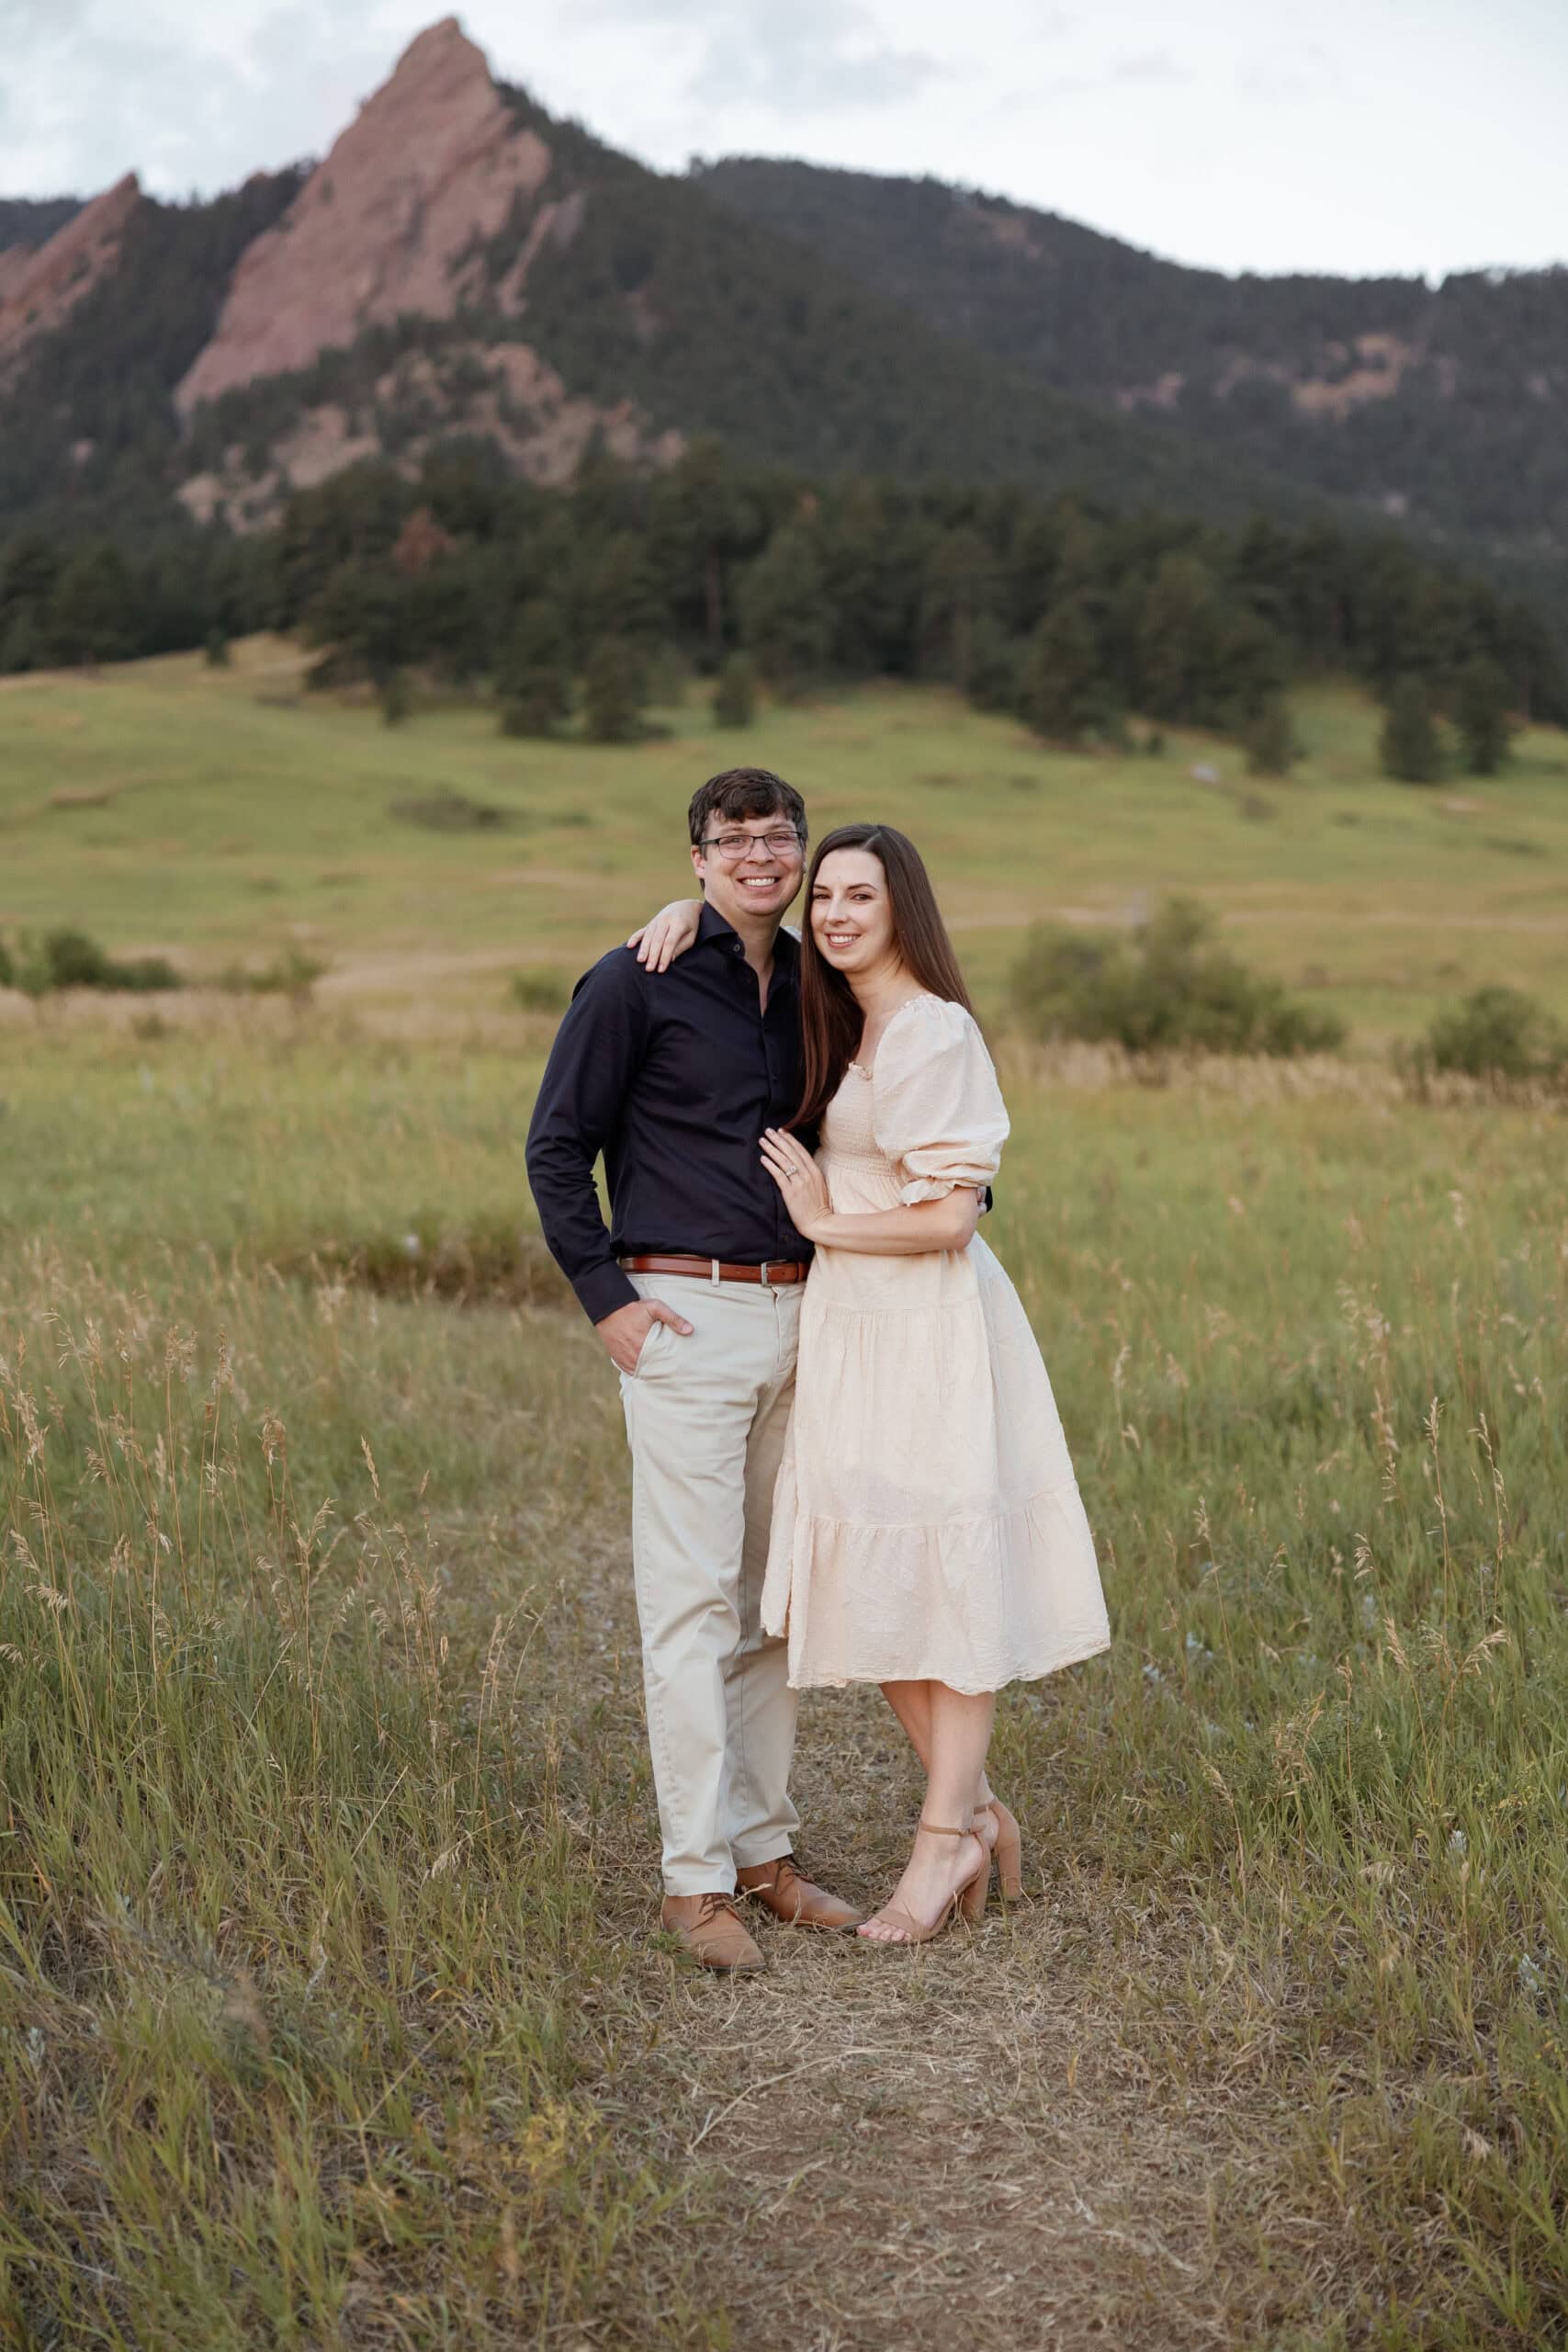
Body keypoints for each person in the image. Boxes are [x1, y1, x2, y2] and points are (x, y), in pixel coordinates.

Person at [637, 824, 1110, 1945]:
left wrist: (820, 1222)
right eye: (829, 894)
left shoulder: (935, 1030)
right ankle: (977, 1810)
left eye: (865, 894)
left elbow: (951, 1216)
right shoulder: (838, 1011)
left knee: (941, 1564)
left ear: (906, 909)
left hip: (929, 1325)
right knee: (871, 1566)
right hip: (852, 1323)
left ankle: (943, 1836)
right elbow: (727, 946)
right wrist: (671, 918)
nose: (840, 912)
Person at [525, 768, 861, 1973]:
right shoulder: (635, 979)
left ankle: (763, 1853)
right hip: (680, 1318)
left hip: (799, 1321)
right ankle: (690, 1882)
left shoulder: (813, 990)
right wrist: (605, 1300)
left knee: (773, 1603)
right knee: (691, 1604)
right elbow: (555, 1145)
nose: (761, 855)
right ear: (697, 859)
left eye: (780, 837)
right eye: (736, 841)